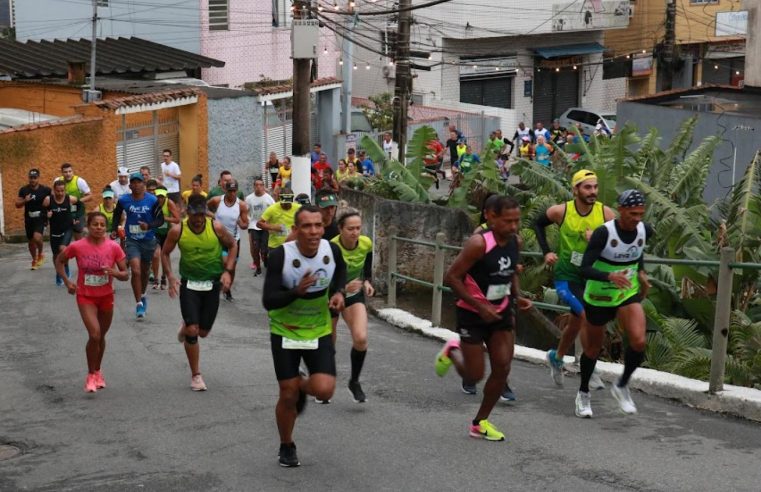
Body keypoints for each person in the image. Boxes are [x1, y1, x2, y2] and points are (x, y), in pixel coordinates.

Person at [435, 196, 532, 441]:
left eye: (517, 221)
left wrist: (518, 296)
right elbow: (452, 278)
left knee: (503, 365)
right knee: (474, 376)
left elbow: (509, 272)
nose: (513, 226)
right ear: (490, 216)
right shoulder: (478, 244)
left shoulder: (515, 242)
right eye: (507, 221)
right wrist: (479, 306)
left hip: (501, 311)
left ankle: (480, 422)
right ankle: (451, 352)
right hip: (472, 314)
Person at [262, 205, 347, 467]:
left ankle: (300, 384)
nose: (313, 231)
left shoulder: (331, 250)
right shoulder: (280, 256)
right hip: (285, 330)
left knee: (324, 390)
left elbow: (340, 272)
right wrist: (295, 292)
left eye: (318, 225)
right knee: (287, 395)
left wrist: (339, 293)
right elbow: (268, 300)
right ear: (296, 230)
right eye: (307, 226)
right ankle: (287, 445)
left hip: (318, 329)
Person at [534, 170, 615, 389]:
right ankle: (590, 366)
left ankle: (557, 357)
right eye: (587, 187)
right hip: (566, 277)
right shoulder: (562, 211)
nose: (593, 192)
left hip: (591, 277)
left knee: (577, 321)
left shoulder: (606, 214)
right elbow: (538, 224)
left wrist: (599, 239)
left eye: (595, 187)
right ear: (575, 189)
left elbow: (619, 242)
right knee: (587, 315)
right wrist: (546, 252)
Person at [576, 189, 652, 418]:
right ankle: (583, 394)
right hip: (599, 295)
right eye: (632, 213)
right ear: (620, 210)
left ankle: (621, 385)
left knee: (639, 341)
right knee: (593, 348)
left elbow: (636, 251)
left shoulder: (645, 230)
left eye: (640, 213)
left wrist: (641, 272)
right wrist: (609, 276)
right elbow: (585, 267)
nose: (637, 218)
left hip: (626, 292)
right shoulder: (603, 233)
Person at [162, 194, 237, 392]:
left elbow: (233, 245)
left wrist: (228, 271)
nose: (197, 219)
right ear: (188, 212)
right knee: (193, 331)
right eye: (194, 215)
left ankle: (187, 324)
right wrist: (170, 276)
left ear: (205, 213)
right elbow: (164, 252)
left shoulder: (216, 227)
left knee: (203, 332)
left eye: (201, 215)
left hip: (212, 284)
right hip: (189, 284)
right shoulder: (178, 230)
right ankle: (196, 375)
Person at [55, 211, 129, 393]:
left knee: (101, 336)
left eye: (102, 225)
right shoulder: (78, 246)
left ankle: (97, 371)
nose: (99, 228)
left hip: (106, 296)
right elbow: (59, 260)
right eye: (95, 224)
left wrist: (115, 273)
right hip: (85, 296)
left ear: (106, 228)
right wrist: (67, 281)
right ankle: (90, 375)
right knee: (94, 334)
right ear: (88, 226)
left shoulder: (113, 247)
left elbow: (125, 274)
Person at [331, 208, 374, 403]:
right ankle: (324, 378)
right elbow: (323, 277)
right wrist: (341, 287)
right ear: (340, 229)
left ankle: (354, 381)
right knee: (328, 343)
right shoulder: (331, 248)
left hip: (353, 295)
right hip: (330, 295)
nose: (355, 232)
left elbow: (367, 264)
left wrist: (366, 281)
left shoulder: (365, 243)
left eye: (358, 228)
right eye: (350, 229)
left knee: (361, 338)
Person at [112, 172, 164, 320]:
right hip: (132, 239)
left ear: (144, 185)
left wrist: (148, 225)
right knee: (135, 270)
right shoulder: (124, 200)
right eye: (133, 183)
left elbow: (160, 220)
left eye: (139, 182)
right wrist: (115, 228)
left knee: (145, 270)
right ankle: (138, 303)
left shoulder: (152, 200)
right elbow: (116, 215)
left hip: (148, 239)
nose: (136, 185)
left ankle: (143, 294)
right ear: (130, 186)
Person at [208, 180, 249, 301]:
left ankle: (228, 288)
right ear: (225, 190)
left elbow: (245, 224)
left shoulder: (241, 205)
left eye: (234, 191)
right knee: (224, 263)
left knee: (232, 267)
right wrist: (213, 216)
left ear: (237, 191)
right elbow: (205, 209)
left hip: (233, 241)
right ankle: (217, 284)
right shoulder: (216, 200)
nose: (232, 193)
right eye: (230, 191)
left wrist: (241, 223)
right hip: (219, 238)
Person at [44, 179, 77, 285]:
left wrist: (75, 217)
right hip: (54, 230)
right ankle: (59, 272)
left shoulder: (70, 199)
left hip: (67, 228)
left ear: (65, 190)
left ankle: (65, 268)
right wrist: (46, 216)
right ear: (54, 190)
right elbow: (41, 212)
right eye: (58, 191)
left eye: (62, 191)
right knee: (55, 255)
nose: (60, 193)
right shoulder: (48, 200)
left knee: (63, 249)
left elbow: (80, 206)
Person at [16, 168, 50, 270]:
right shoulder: (24, 190)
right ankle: (34, 259)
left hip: (41, 217)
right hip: (29, 218)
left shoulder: (45, 190)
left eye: (35, 178)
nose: (32, 180)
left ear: (38, 178)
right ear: (28, 178)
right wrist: (24, 201)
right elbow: (17, 204)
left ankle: (40, 254)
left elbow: (55, 198)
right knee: (31, 241)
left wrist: (49, 200)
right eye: (31, 178)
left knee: (37, 237)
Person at [150, 186, 181, 290]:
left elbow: (177, 219)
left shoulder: (169, 203)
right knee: (155, 255)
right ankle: (155, 279)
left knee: (164, 255)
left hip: (167, 233)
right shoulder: (152, 203)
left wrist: (164, 218)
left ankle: (164, 277)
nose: (159, 199)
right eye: (158, 196)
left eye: (162, 196)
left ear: (165, 196)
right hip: (155, 232)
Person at [245, 177, 275, 276]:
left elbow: (273, 212)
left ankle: (265, 260)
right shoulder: (249, 198)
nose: (258, 187)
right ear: (254, 187)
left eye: (260, 185)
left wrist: (271, 225)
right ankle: (258, 268)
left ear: (263, 187)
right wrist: (248, 221)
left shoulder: (269, 198)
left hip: (265, 226)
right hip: (254, 226)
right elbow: (245, 212)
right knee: (255, 248)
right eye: (256, 185)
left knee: (264, 249)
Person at [257, 187, 301, 253]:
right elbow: (259, 224)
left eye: (288, 203)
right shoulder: (272, 208)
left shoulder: (299, 208)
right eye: (284, 203)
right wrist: (273, 227)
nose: (286, 205)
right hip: (275, 246)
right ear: (280, 198)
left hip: (294, 245)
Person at [58, 163, 92, 240]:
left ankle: (81, 247)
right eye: (65, 172)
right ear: (62, 173)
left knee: (78, 231)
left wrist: (77, 201)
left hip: (77, 210)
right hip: (63, 210)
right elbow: (53, 194)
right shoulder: (58, 181)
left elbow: (90, 196)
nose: (68, 174)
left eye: (70, 171)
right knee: (63, 233)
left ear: (73, 171)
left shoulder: (80, 181)